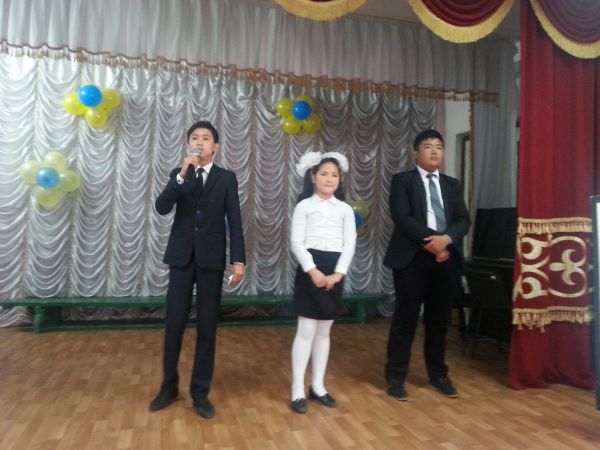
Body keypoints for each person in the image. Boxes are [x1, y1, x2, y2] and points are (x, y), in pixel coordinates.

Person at [149, 121, 246, 419]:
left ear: (215, 147)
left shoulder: (226, 178)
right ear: (188, 144)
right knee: (173, 324)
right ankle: (168, 387)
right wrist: (181, 174)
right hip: (181, 258)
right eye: (195, 138)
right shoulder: (180, 174)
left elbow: (235, 220)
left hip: (211, 260)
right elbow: (161, 207)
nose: (200, 142)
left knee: (207, 327)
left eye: (206, 138)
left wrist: (238, 260)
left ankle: (200, 393)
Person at [383, 129, 470, 401]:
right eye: (428, 146)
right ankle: (396, 377)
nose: (434, 151)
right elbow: (402, 217)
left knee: (439, 320)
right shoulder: (403, 180)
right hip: (412, 258)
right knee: (405, 318)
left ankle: (438, 375)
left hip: (445, 259)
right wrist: (431, 242)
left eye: (439, 147)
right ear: (416, 153)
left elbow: (463, 219)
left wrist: (446, 240)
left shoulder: (452, 184)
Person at [289, 151, 357, 414]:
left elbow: (350, 244)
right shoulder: (304, 206)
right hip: (310, 270)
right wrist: (312, 270)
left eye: (334, 175)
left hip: (334, 271)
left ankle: (318, 385)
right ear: (313, 177)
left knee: (324, 331)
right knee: (306, 329)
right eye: (324, 174)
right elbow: (297, 242)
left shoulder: (345, 209)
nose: (329, 179)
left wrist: (338, 274)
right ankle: (297, 388)